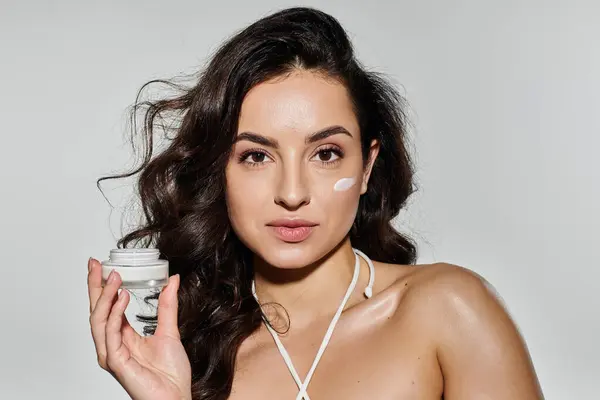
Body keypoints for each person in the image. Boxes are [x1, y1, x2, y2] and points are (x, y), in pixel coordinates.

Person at [87, 6, 544, 400]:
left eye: (325, 154)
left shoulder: (447, 309)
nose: (291, 193)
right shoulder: (195, 355)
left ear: (366, 167)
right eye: (256, 156)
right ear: (219, 171)